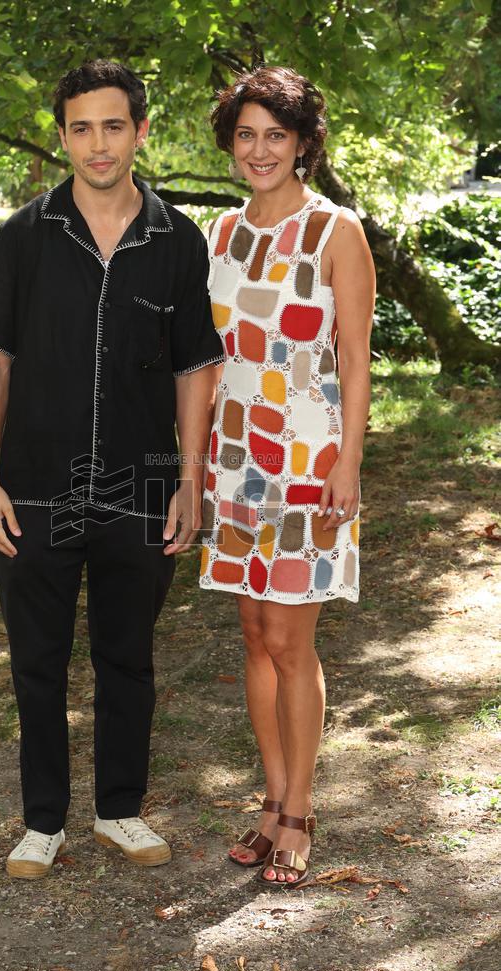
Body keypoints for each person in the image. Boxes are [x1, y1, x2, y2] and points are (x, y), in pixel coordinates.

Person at [0, 59, 224, 879]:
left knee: (128, 660)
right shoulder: (23, 235)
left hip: (141, 488)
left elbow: (195, 369)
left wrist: (188, 478)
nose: (98, 143)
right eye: (80, 127)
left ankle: (120, 810)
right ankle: (43, 822)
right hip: (33, 487)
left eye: (114, 125)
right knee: (35, 662)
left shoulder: (177, 238)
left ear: (140, 131)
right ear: (63, 136)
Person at [198, 66, 376, 887]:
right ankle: (269, 802)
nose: (260, 149)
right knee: (251, 637)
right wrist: (191, 460)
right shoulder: (221, 236)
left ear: (304, 143)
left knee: (291, 641)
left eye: (277, 134)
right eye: (246, 134)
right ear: (230, 143)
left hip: (309, 461)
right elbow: (205, 360)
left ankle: (300, 811)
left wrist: (349, 463)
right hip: (233, 461)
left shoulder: (336, 230)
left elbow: (352, 358)